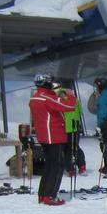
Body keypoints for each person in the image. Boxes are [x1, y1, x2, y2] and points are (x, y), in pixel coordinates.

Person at [28, 72, 76, 205]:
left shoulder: (35, 97)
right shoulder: (47, 98)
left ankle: (43, 194)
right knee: (56, 166)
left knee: (49, 165)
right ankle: (50, 195)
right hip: (53, 135)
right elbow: (70, 105)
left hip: (44, 135)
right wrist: (67, 94)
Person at [56, 82, 87, 176]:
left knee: (67, 149)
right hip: (74, 126)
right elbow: (80, 111)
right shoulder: (75, 100)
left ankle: (70, 169)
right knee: (75, 147)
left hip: (66, 127)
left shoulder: (61, 100)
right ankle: (81, 165)